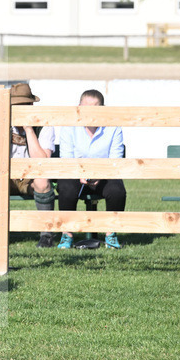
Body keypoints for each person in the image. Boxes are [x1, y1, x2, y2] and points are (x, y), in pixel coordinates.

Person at [0, 83, 56, 248]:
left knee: (43, 181)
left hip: (30, 178)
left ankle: (46, 235)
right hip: (4, 175)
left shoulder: (44, 124)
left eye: (23, 106)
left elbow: (42, 162)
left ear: (31, 105)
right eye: (15, 106)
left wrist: (29, 129)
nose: (18, 109)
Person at [56, 89, 125, 250]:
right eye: (86, 106)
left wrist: (100, 174)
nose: (91, 110)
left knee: (117, 190)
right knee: (65, 187)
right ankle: (67, 234)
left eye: (95, 106)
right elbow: (67, 158)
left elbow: (115, 159)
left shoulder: (113, 127)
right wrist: (80, 174)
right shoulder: (69, 126)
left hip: (105, 174)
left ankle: (111, 233)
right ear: (79, 107)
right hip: (75, 173)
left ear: (103, 107)